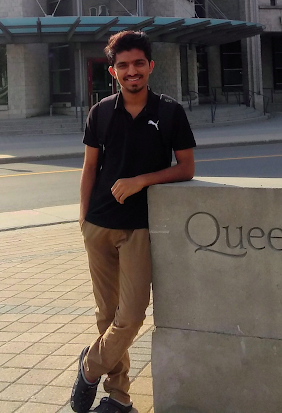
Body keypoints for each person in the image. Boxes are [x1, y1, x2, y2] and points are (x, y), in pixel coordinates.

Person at [71, 30, 196, 413]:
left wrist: (142, 180)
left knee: (131, 315)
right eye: (123, 65)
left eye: (138, 63)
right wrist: (83, 218)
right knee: (106, 315)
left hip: (139, 228)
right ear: (113, 71)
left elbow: (186, 168)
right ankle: (119, 397)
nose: (132, 71)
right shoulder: (101, 112)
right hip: (98, 225)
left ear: (150, 66)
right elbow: (89, 167)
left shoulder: (170, 112)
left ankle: (90, 366)